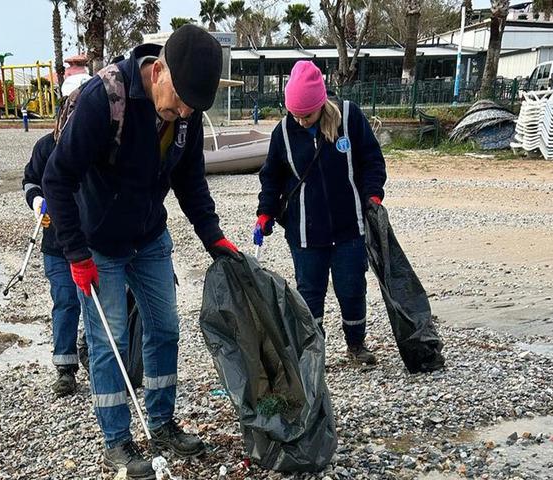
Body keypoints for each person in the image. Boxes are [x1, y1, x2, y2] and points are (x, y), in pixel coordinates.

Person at [42, 25, 239, 479]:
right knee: (111, 343)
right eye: (181, 99)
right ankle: (117, 441)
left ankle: (162, 423)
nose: (185, 111)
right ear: (158, 70)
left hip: (150, 238)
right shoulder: (103, 99)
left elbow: (191, 182)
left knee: (165, 329)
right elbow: (57, 178)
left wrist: (213, 237)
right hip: (100, 244)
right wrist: (76, 254)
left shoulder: (185, 114)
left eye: (194, 106)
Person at [254, 60, 386, 366]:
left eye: (307, 115)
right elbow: (271, 177)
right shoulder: (283, 133)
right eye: (295, 115)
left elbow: (372, 160)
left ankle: (356, 345)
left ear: (321, 104)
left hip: (349, 228)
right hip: (304, 232)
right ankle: (314, 352)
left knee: (352, 289)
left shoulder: (349, 118)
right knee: (309, 296)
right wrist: (265, 213)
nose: (300, 121)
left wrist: (373, 195)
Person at [21, 75, 91, 397]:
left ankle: (92, 351)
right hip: (55, 244)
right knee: (65, 301)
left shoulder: (98, 144)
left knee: (94, 301)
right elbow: (30, 181)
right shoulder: (45, 147)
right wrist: (36, 201)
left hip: (93, 242)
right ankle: (65, 368)